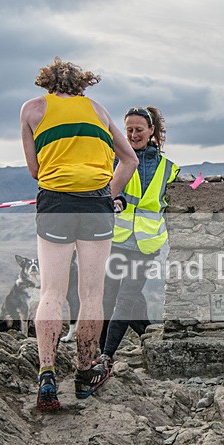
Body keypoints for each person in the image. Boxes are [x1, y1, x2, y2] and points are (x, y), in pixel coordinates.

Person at [20, 57, 138, 412]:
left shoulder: (32, 109)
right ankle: (86, 373)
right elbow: (129, 159)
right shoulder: (98, 110)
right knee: (92, 294)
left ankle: (47, 377)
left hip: (55, 202)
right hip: (96, 203)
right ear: (83, 85)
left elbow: (34, 170)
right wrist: (109, 192)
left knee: (52, 292)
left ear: (47, 83)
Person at [98, 106, 179, 368]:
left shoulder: (169, 168)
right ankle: (102, 352)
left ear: (151, 131)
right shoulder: (113, 159)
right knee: (108, 297)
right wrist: (115, 198)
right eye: (129, 130)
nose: (133, 135)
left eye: (139, 130)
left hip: (146, 244)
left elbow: (179, 196)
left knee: (127, 297)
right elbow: (103, 188)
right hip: (115, 239)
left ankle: (107, 355)